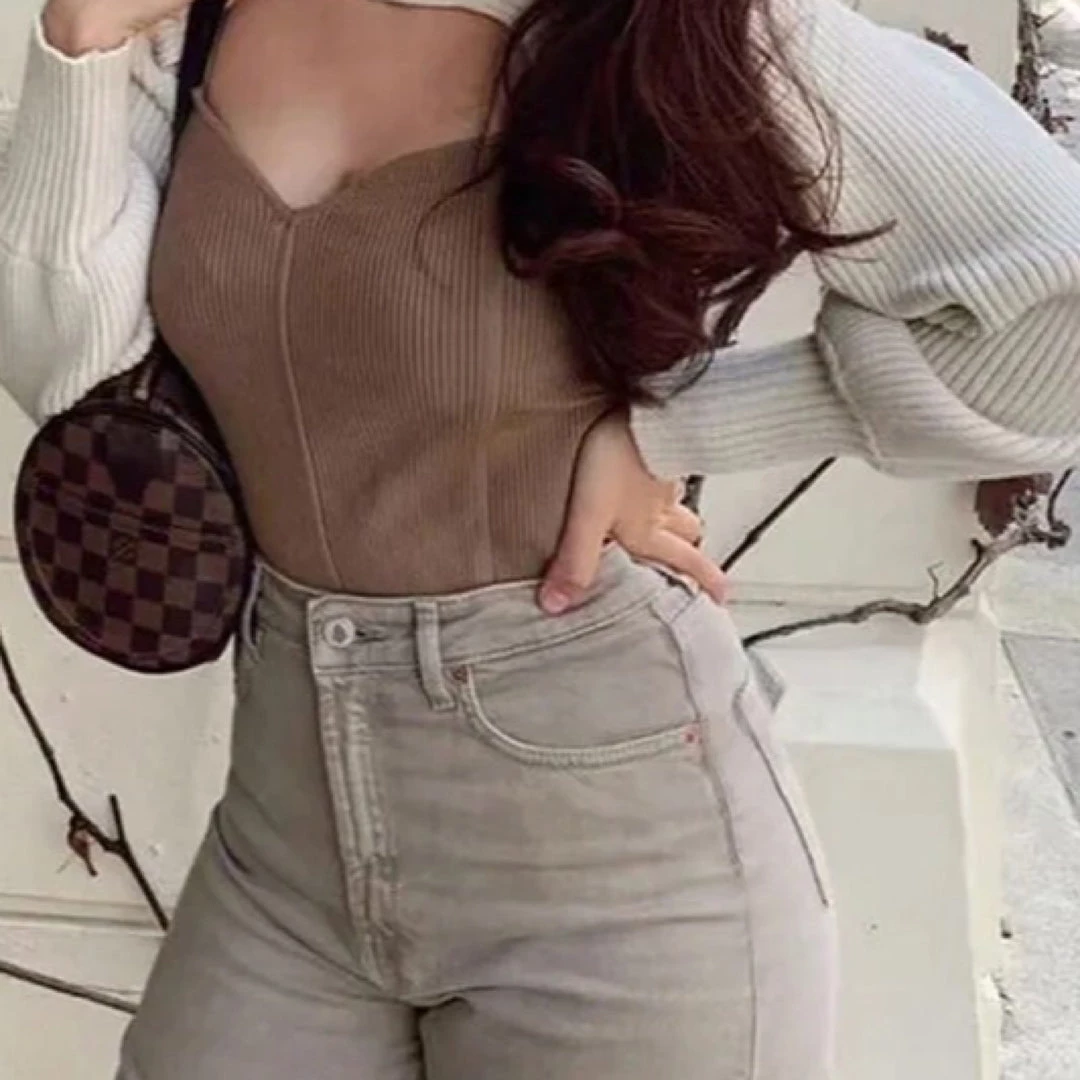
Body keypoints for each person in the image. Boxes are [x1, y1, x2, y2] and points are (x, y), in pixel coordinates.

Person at [1, 0, 1079, 1077]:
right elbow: (72, 372)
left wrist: (680, 427)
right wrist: (81, 42)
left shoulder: (678, 30)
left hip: (615, 862)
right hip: (286, 838)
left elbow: (1055, 308)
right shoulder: (193, 21)